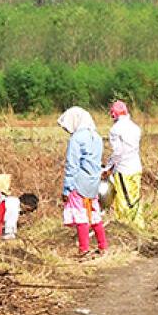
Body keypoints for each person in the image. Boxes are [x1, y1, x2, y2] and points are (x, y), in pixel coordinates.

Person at [57, 107, 108, 257]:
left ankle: (84, 249)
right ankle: (103, 246)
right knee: (94, 214)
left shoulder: (76, 139)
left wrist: (67, 190)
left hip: (78, 184)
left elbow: (72, 165)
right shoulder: (97, 137)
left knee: (80, 217)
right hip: (93, 183)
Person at [104, 100, 144, 229]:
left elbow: (118, 152)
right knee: (135, 198)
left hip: (123, 170)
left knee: (123, 201)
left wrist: (108, 167)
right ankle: (139, 226)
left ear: (114, 114)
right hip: (136, 167)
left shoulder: (115, 129)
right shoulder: (135, 127)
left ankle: (124, 229)